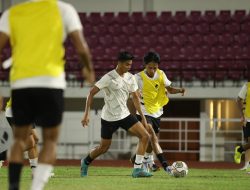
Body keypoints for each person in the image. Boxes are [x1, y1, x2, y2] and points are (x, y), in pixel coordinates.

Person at [0, 0, 94, 189]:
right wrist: (88, 68)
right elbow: (81, 47)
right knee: (50, 141)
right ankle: (36, 187)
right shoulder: (64, 10)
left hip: (21, 83)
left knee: (19, 140)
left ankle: (13, 186)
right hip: (51, 83)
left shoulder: (12, 13)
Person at [80, 51, 152, 178]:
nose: (129, 67)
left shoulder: (130, 77)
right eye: (127, 65)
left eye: (130, 65)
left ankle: (137, 170)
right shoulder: (108, 77)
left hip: (124, 115)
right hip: (108, 118)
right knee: (103, 148)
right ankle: (85, 162)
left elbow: (135, 97)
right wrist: (86, 114)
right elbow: (91, 93)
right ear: (119, 63)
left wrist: (143, 118)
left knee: (145, 136)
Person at [130, 51, 185, 174]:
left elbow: (169, 89)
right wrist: (135, 94)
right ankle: (166, 166)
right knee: (152, 138)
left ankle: (144, 160)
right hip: (143, 113)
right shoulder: (138, 77)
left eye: (155, 67)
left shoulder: (161, 74)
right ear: (145, 65)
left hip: (157, 112)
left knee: (149, 141)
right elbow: (132, 94)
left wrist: (179, 90)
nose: (153, 70)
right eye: (150, 67)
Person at [234, 81, 250, 172]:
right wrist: (242, 115)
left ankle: (240, 149)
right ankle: (246, 164)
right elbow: (238, 99)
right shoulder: (247, 86)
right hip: (248, 119)